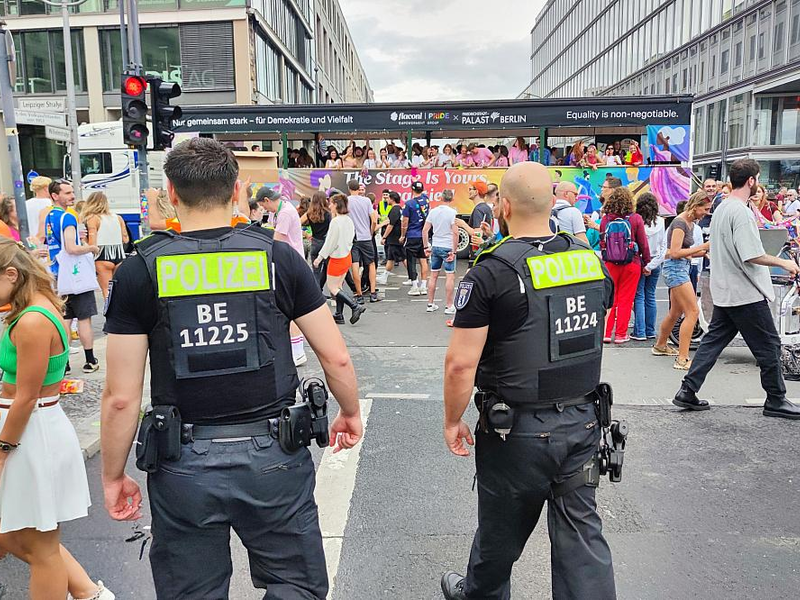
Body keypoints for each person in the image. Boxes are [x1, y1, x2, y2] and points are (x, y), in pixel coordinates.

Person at [100, 138, 364, 599]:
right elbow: (335, 355)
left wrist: (113, 474)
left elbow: (121, 396)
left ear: (171, 193)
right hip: (273, 456)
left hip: (182, 463)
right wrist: (349, 411)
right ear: (237, 190)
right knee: (294, 585)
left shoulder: (141, 270)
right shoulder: (278, 258)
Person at [440, 162, 616, 600]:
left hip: (515, 431)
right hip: (583, 423)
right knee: (582, 539)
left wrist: (452, 420)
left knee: (500, 535)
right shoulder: (587, 259)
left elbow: (461, 364)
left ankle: (478, 594)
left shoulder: (492, 271)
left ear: (503, 205)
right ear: (552, 203)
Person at [0, 238, 114, 600]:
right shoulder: (39, 307)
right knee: (29, 537)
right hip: (32, 429)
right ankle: (88, 594)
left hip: (29, 432)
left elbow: (25, 397)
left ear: (12, 274)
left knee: (40, 546)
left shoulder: (33, 320)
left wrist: (3, 449)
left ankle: (88, 594)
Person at [673, 160, 800, 418]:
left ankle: (688, 390)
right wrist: (783, 261)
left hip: (726, 289)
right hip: (745, 292)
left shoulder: (721, 209)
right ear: (751, 181)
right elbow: (751, 255)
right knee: (769, 345)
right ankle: (776, 399)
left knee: (712, 342)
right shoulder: (740, 212)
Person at [43, 181, 100, 374]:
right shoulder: (68, 217)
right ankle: (90, 360)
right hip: (75, 275)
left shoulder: (50, 216)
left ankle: (64, 363)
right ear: (54, 195)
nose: (72, 196)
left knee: (65, 319)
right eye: (67, 193)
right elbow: (71, 248)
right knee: (83, 319)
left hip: (58, 274)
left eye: (72, 192)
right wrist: (91, 248)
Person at [652, 192, 711, 368]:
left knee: (676, 312)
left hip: (680, 267)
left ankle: (661, 345)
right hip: (676, 270)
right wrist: (702, 247)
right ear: (695, 206)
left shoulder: (689, 222)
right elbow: (675, 252)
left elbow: (680, 252)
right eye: (705, 209)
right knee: (692, 312)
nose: (706, 213)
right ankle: (682, 358)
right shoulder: (680, 223)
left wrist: (701, 252)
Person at [257, 187, 310, 366]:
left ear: (267, 200)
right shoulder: (280, 210)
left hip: (290, 264)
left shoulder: (286, 213)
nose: (265, 210)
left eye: (263, 206)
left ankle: (298, 350)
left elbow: (277, 239)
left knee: (289, 309)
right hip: (287, 262)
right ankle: (295, 348)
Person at [600, 186, 651, 344]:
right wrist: (646, 262)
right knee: (626, 299)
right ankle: (621, 334)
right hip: (631, 263)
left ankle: (606, 333)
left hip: (610, 263)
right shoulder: (635, 218)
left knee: (610, 299)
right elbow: (643, 243)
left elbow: (602, 241)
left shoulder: (605, 219)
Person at [313, 194, 366, 325]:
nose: (329, 205)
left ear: (336, 205)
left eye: (331, 203)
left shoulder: (335, 222)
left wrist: (320, 258)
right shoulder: (348, 220)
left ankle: (354, 306)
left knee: (333, 288)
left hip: (337, 258)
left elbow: (330, 243)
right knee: (339, 287)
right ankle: (339, 314)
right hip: (346, 256)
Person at [631, 192, 666, 341]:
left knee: (639, 296)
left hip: (639, 260)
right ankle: (650, 330)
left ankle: (640, 331)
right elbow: (663, 247)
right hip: (655, 260)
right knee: (650, 296)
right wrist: (652, 265)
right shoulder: (661, 222)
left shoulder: (636, 221)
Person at [81, 192, 128, 300]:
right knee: (119, 290)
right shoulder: (118, 218)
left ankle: (110, 314)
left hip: (102, 256)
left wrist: (84, 240)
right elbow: (125, 239)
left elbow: (93, 243)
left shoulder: (93, 218)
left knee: (107, 290)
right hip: (119, 255)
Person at [422, 189, 458, 315]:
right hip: (448, 246)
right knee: (450, 276)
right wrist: (454, 251)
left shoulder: (433, 211)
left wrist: (426, 246)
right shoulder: (453, 213)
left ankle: (430, 303)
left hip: (436, 245)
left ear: (440, 198)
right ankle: (449, 305)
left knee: (433, 275)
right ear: (452, 199)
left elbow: (425, 230)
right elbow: (455, 233)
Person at [345, 179, 380, 304]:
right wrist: (371, 231)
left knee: (355, 264)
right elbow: (374, 219)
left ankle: (358, 294)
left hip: (353, 237)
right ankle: (373, 293)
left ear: (349, 188)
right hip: (366, 236)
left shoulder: (346, 201)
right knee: (371, 264)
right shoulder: (366, 201)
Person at [400, 181, 430, 296]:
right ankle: (423, 286)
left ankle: (414, 286)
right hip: (423, 235)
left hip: (412, 235)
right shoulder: (426, 200)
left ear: (412, 190)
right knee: (423, 260)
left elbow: (405, 221)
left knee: (411, 261)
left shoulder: (409, 204)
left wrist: (403, 235)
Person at [302, 191, 332, 291]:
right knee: (329, 269)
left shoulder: (309, 213)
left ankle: (317, 292)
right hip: (326, 243)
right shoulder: (328, 214)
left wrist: (306, 234)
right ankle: (333, 292)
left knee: (316, 270)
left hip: (315, 242)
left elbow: (296, 223)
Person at [377, 192, 404, 286]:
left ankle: (413, 277)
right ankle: (385, 276)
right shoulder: (399, 209)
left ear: (392, 199)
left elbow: (390, 225)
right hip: (396, 237)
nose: (386, 200)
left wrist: (384, 236)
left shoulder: (394, 210)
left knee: (402, 257)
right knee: (390, 258)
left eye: (388, 198)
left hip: (394, 238)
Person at [26, 176, 52, 240]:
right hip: (47, 239)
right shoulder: (51, 203)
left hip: (29, 239)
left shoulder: (26, 204)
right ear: (46, 188)